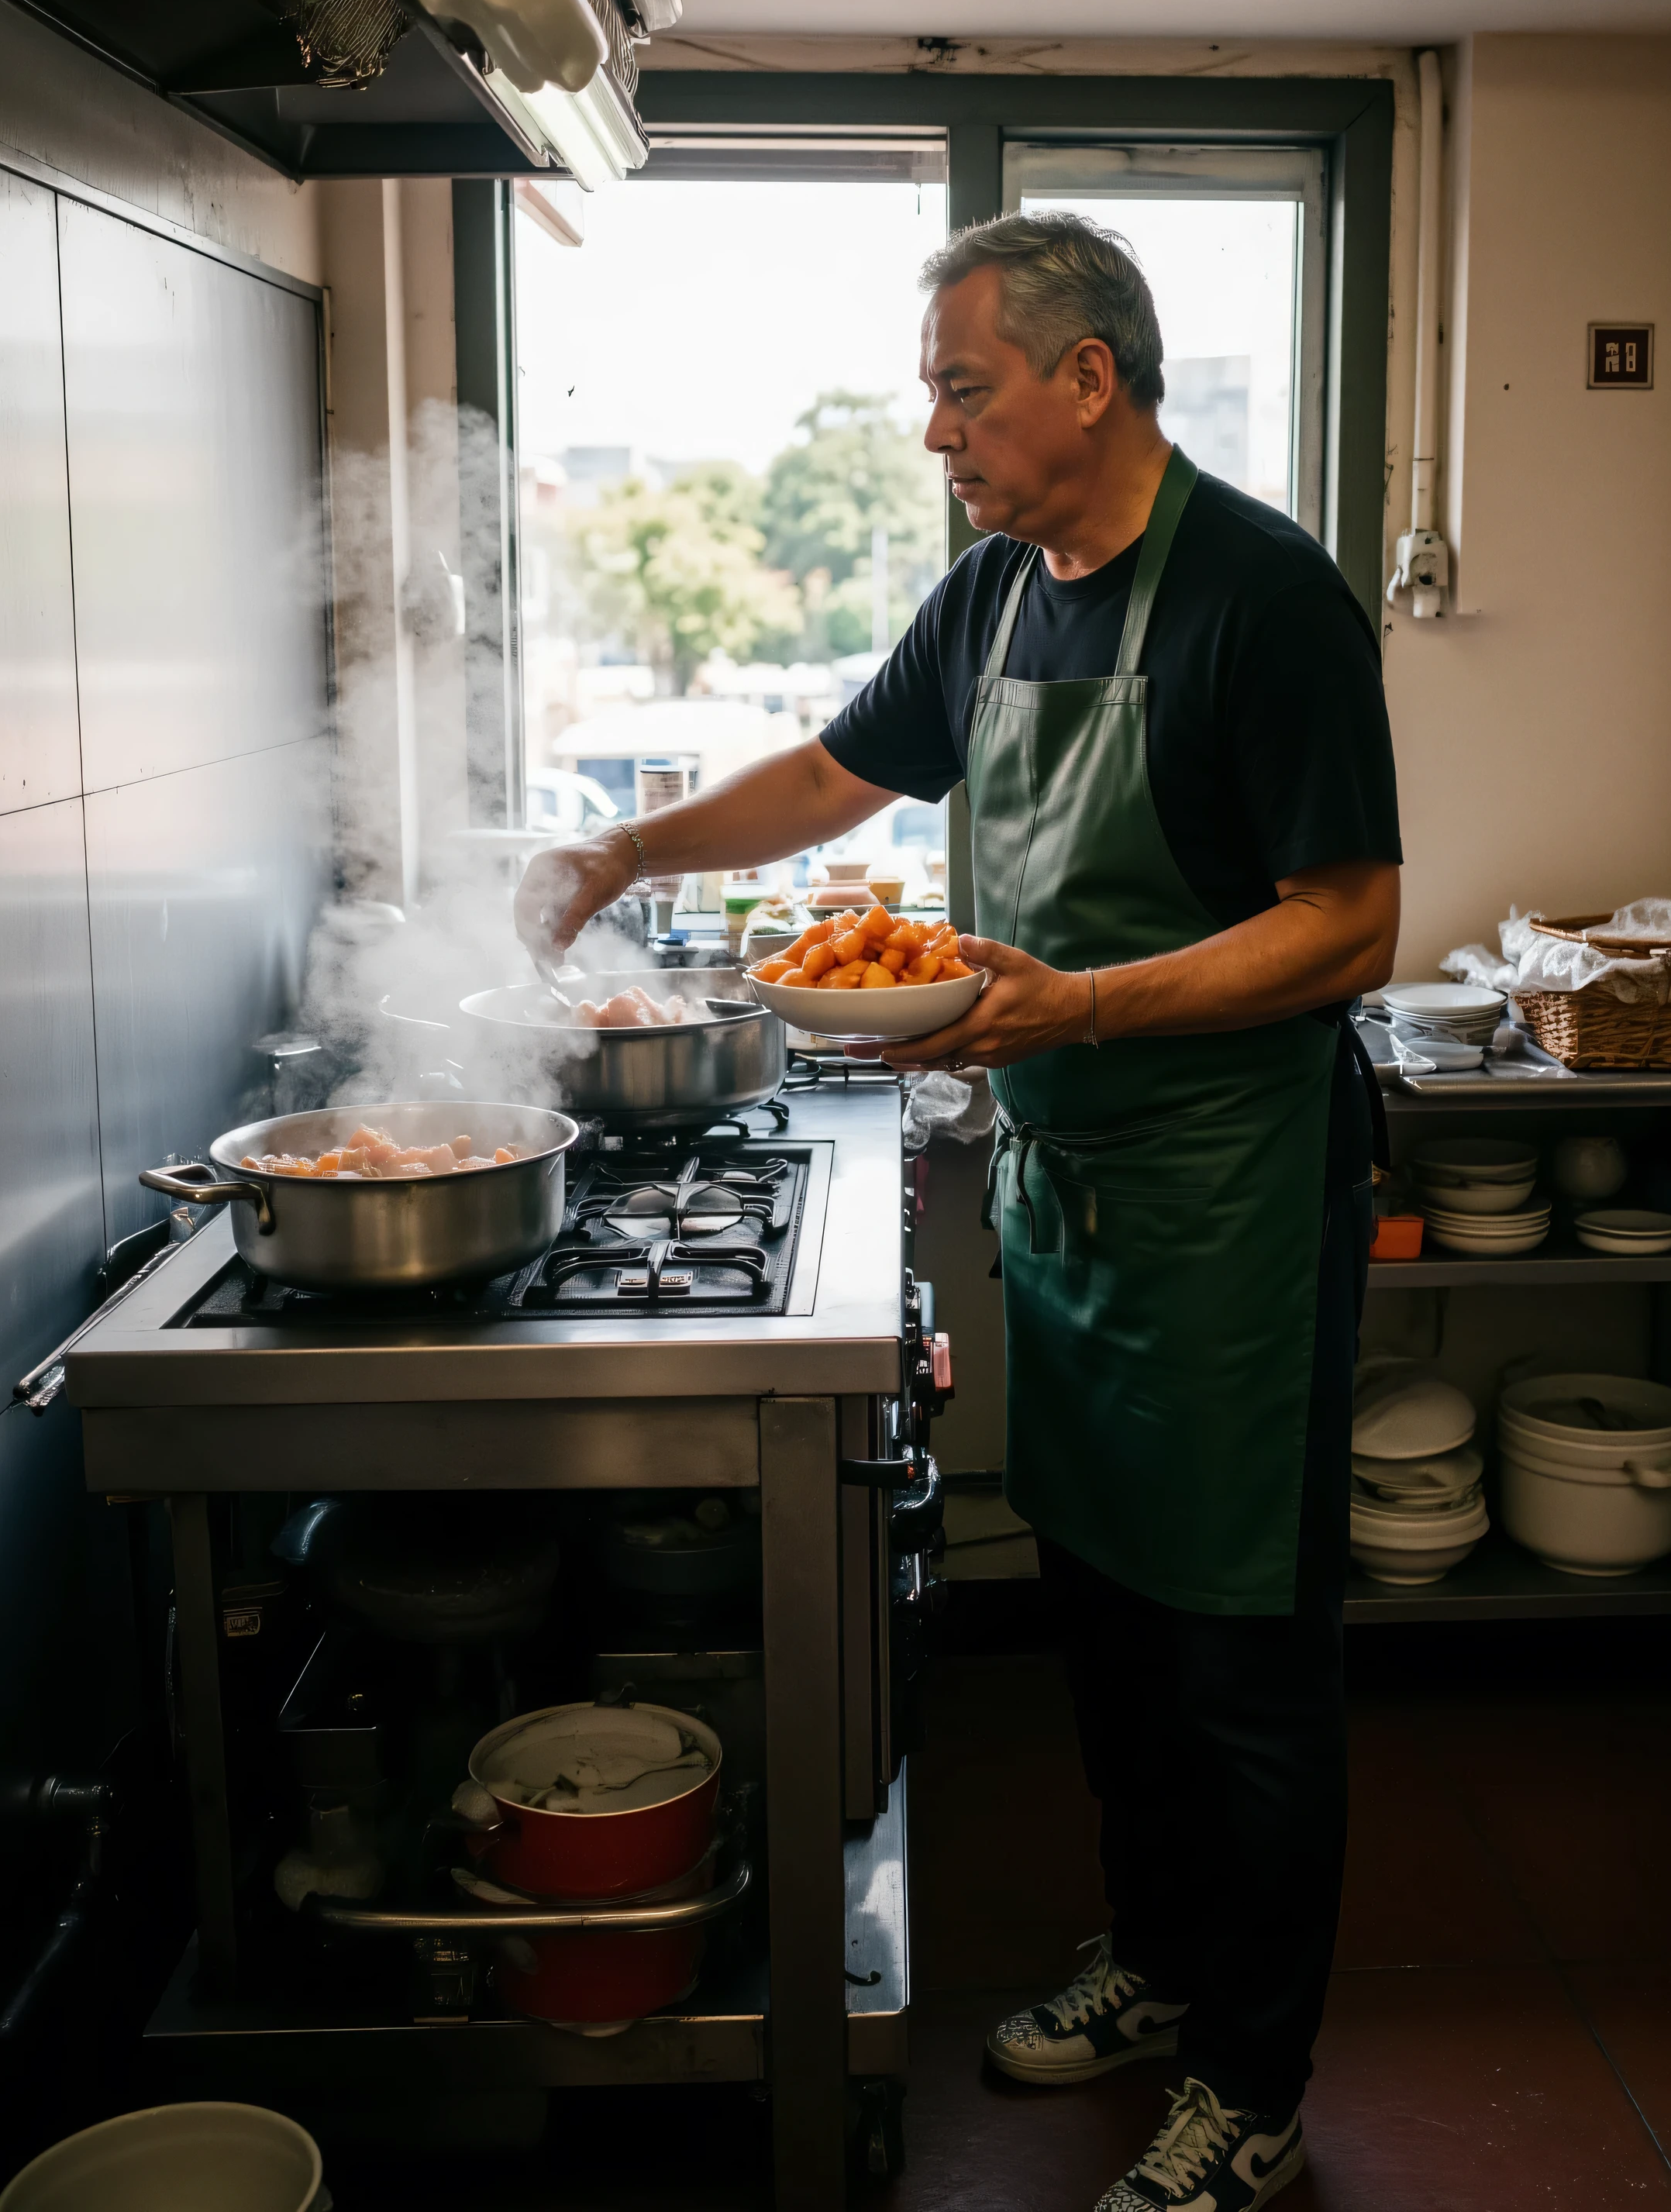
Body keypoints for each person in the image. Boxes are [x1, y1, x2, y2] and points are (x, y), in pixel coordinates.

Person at [517, 212, 1402, 2212]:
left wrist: (1076, 1005)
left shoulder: (1265, 598)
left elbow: (1350, 924)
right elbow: (837, 777)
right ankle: (1161, 1963)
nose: (934, 432)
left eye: (961, 388)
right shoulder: (994, 598)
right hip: (1076, 1194)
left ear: (1088, 379)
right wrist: (623, 851)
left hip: (1238, 1212)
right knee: (1111, 1624)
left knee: (1241, 1670)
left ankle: (1254, 2086)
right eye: (933, 391)